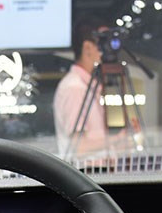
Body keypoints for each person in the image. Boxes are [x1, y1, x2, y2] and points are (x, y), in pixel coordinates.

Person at [53, 20, 139, 159]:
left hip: (95, 170)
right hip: (83, 171)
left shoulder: (87, 85)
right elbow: (79, 148)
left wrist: (119, 145)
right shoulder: (75, 88)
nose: (107, 49)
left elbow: (95, 148)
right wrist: (117, 138)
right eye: (103, 43)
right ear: (87, 47)